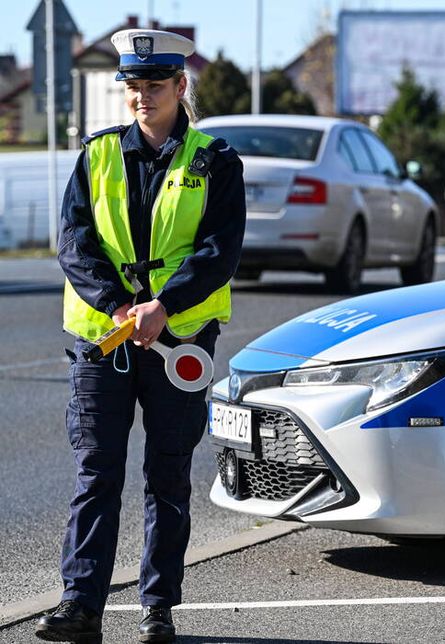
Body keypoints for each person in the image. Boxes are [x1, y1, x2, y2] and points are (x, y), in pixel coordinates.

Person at [36, 29, 244, 644]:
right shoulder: (96, 154)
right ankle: (81, 607)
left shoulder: (214, 160)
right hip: (106, 339)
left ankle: (158, 610)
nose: (141, 97)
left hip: (178, 338)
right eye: (132, 85)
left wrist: (164, 305)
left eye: (154, 85)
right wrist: (121, 304)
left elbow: (217, 252)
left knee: (167, 473)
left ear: (181, 87)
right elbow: (73, 241)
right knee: (96, 471)